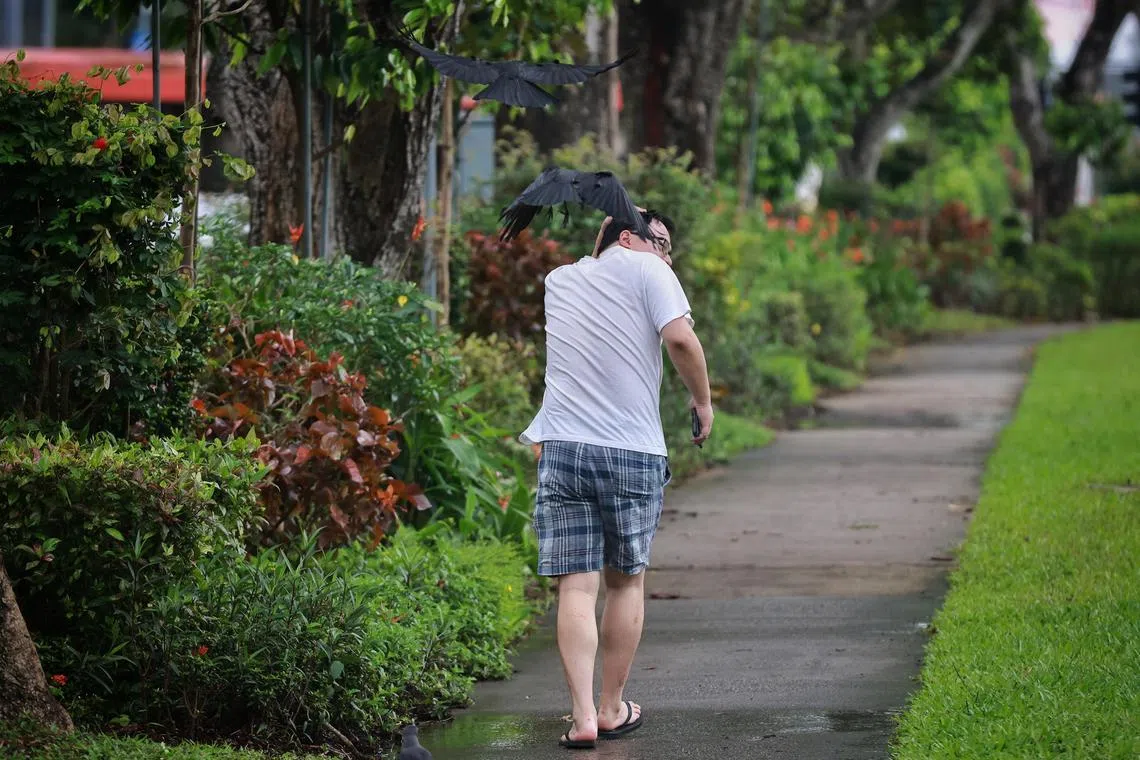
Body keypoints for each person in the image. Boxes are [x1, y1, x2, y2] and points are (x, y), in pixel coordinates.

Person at [519, 209, 713, 749]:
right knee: (625, 581)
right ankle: (610, 708)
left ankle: (581, 717)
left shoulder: (559, 280)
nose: (667, 256)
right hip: (629, 450)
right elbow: (680, 340)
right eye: (662, 243)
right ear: (628, 237)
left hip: (561, 447)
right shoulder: (648, 270)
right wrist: (702, 400)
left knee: (575, 583)